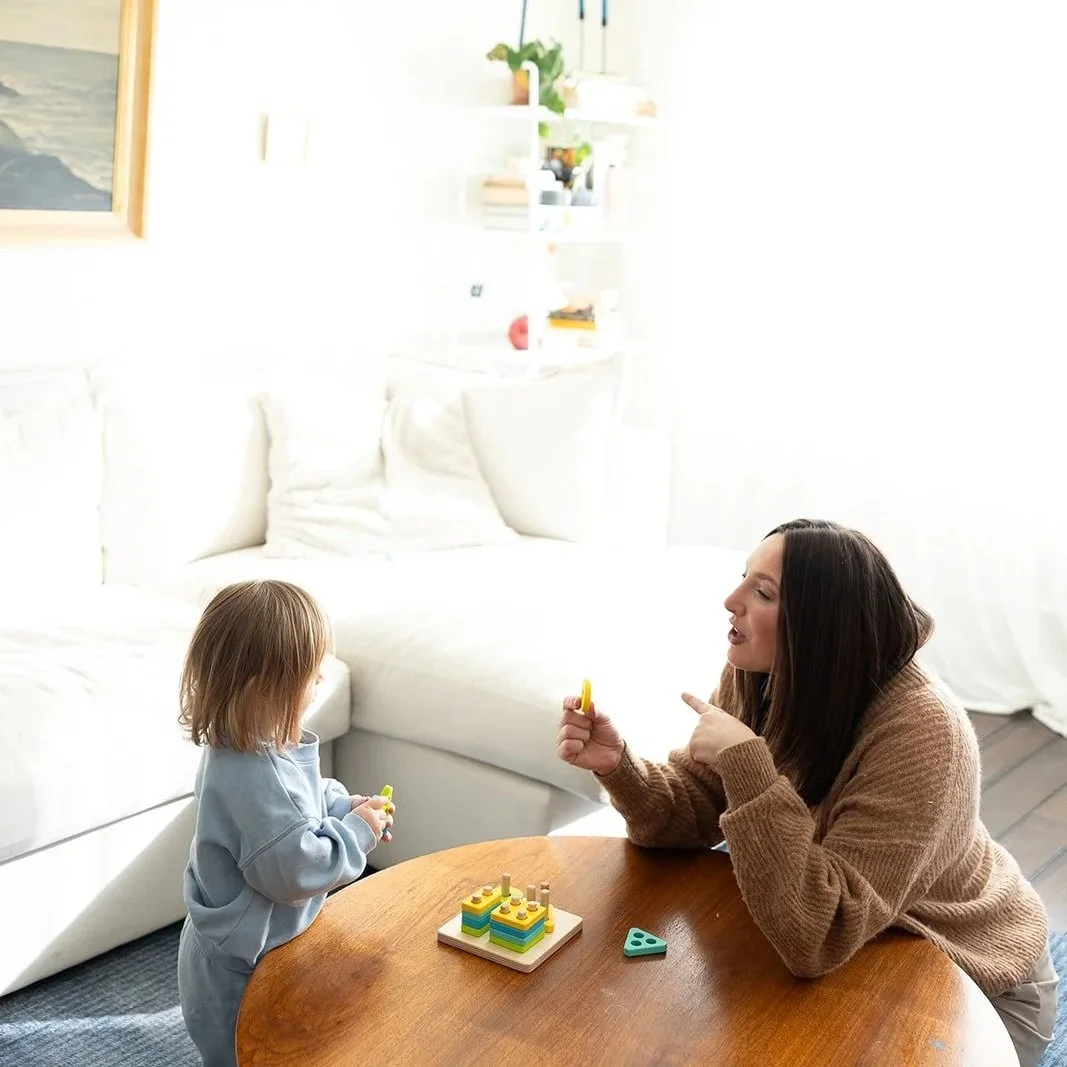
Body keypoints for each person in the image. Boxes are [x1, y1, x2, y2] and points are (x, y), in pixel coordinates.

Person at [556, 518, 1058, 1066]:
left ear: (820, 626)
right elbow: (699, 806)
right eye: (743, 578)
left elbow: (819, 934)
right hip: (864, 947)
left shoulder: (925, 734)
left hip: (968, 976)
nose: (730, 600)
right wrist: (621, 766)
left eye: (762, 592)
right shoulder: (761, 674)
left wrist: (746, 764)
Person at [176, 579, 393, 1067]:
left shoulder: (245, 743)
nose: (321, 685)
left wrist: (343, 809)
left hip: (227, 949)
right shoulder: (256, 776)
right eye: (312, 678)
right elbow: (294, 870)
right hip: (241, 973)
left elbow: (302, 804)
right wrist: (356, 834)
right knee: (255, 1053)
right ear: (266, 687)